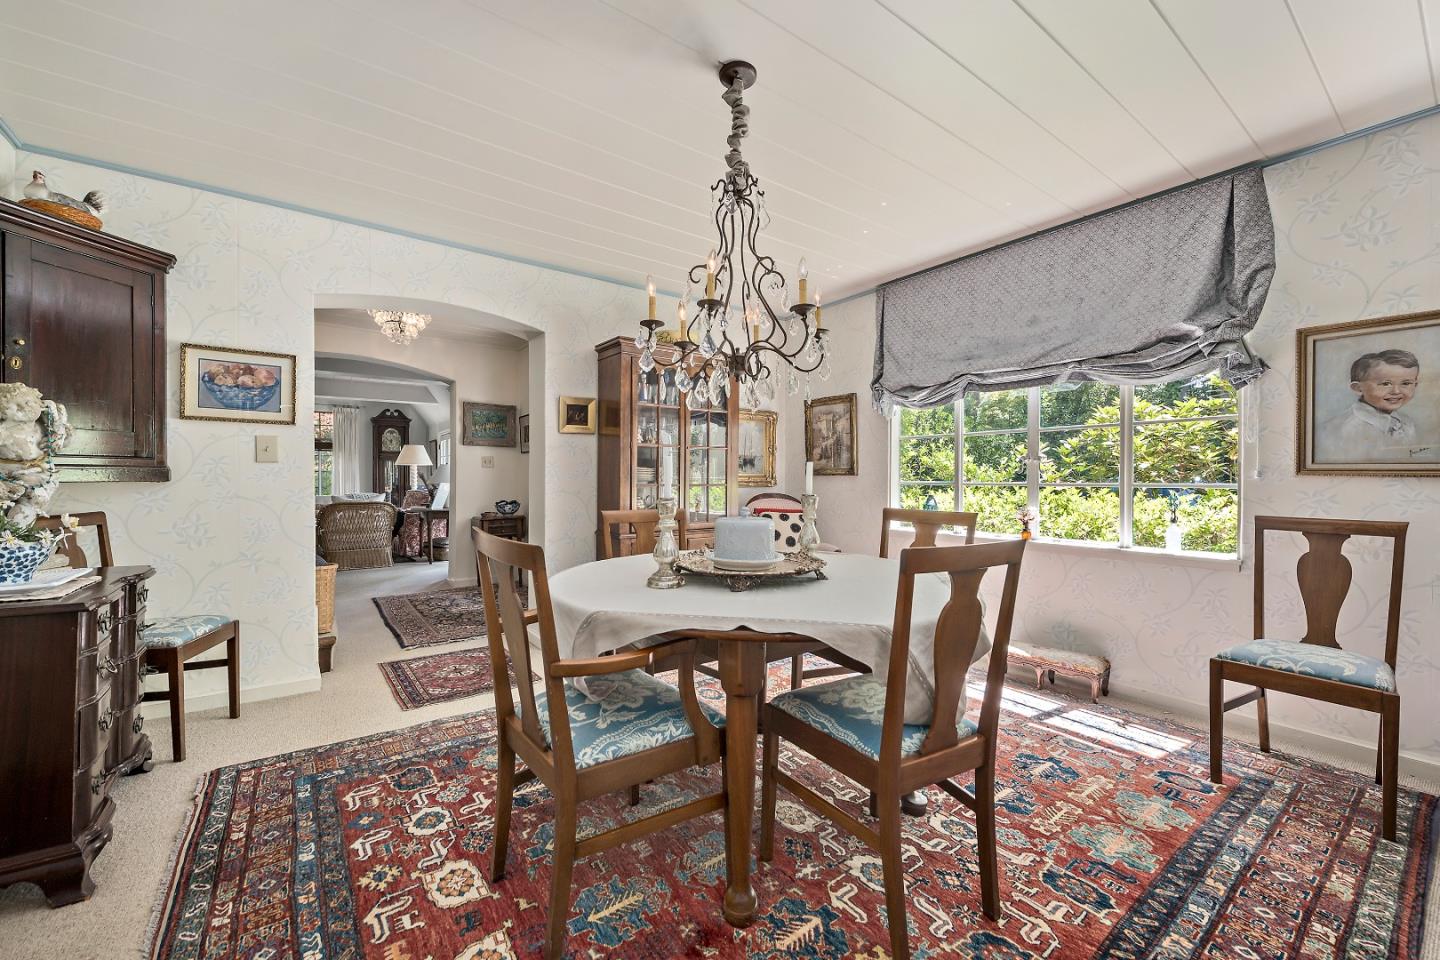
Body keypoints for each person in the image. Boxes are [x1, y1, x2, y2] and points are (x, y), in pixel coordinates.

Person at [1324, 349, 1433, 460]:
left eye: (1406, 383)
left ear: (1415, 385)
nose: (1396, 391)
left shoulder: (1407, 423)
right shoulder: (1344, 430)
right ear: (1358, 388)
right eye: (1385, 384)